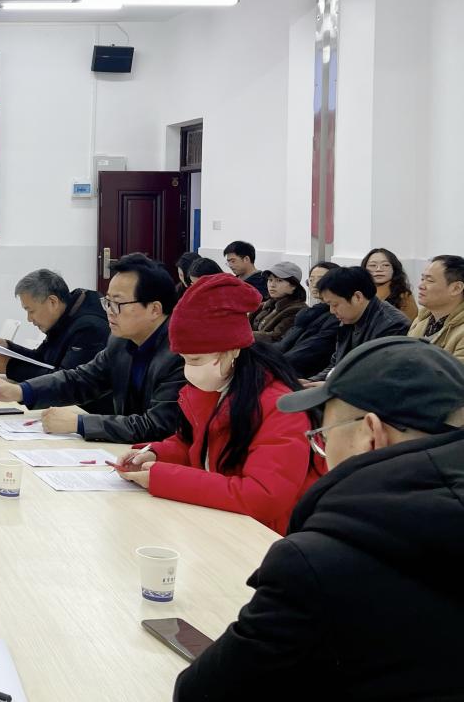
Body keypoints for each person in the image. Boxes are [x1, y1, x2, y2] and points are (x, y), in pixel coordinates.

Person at [173, 337, 464, 701]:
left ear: (370, 436)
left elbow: (202, 692)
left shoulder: (319, 565)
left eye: (323, 437)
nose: (322, 453)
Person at [114, 275, 323, 533]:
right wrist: (154, 453)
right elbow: (195, 445)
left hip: (268, 536)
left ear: (232, 350)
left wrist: (164, 478)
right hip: (223, 524)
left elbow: (263, 496)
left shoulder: (280, 408)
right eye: (184, 360)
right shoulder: (211, 388)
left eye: (196, 360)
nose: (189, 370)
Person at [0, 254, 186, 443]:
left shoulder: (180, 355)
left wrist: (80, 423)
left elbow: (157, 426)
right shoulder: (120, 342)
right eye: (108, 302)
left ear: (154, 309)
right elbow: (82, 379)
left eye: (118, 303)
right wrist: (21, 391)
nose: (109, 312)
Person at [0, 270, 111, 414]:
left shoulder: (89, 328)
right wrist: (9, 348)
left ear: (52, 302)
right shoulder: (65, 315)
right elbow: (43, 359)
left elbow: (65, 382)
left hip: (86, 414)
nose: (29, 319)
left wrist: (11, 367)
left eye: (31, 311)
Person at [306, 266, 410, 383]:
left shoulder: (392, 326)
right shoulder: (349, 319)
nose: (332, 311)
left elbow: (377, 376)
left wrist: (329, 386)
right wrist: (311, 382)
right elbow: (337, 365)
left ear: (357, 297)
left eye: (335, 304)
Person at [277, 261, 340, 378]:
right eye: (311, 280)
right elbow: (284, 343)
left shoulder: (337, 316)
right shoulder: (308, 313)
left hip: (304, 374)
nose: (314, 284)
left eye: (321, 279)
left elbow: (310, 350)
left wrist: (273, 364)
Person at [409, 254, 464, 362]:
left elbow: (455, 372)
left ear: (456, 288)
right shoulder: (421, 320)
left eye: (430, 281)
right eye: (422, 279)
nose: (421, 286)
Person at [250, 261, 307, 343]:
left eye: (279, 280)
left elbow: (276, 338)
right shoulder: (267, 305)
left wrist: (243, 335)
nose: (272, 285)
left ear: (293, 285)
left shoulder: (297, 310)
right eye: (270, 280)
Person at [361, 247, 417, 321]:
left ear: (394, 269)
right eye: (373, 265)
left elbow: (406, 324)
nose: (378, 269)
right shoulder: (358, 292)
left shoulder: (403, 296)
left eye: (385, 265)